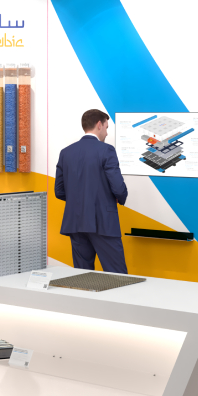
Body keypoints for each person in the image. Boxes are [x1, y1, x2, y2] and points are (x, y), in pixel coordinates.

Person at [55, 109, 128, 273]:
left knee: (83, 276)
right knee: (118, 276)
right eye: (107, 128)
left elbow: (59, 190)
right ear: (99, 125)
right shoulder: (106, 150)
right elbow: (118, 187)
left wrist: (79, 199)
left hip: (75, 222)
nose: (107, 133)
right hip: (103, 221)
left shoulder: (66, 152)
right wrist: (120, 197)